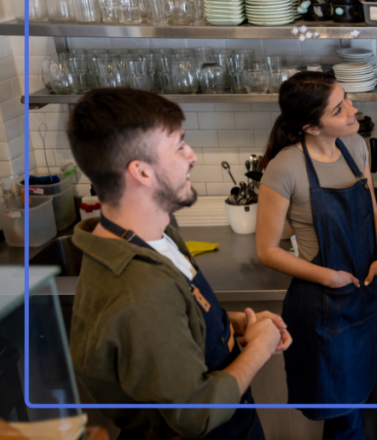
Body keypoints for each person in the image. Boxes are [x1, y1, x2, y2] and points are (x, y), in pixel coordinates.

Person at [67, 88, 290, 440]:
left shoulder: (154, 233)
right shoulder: (140, 291)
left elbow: (174, 320)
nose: (193, 156)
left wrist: (232, 324)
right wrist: (261, 347)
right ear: (141, 172)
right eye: (179, 146)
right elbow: (195, 413)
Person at [256, 72, 377, 440]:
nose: (353, 109)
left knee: (356, 407)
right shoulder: (285, 168)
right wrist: (329, 277)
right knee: (345, 419)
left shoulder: (356, 146)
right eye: (339, 109)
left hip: (364, 298)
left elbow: (373, 209)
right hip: (324, 308)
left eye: (346, 99)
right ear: (311, 127)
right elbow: (266, 251)